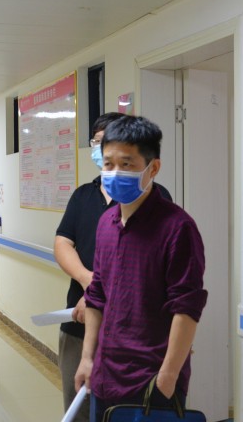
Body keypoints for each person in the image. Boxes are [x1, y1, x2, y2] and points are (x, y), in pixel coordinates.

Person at [73, 115, 208, 422]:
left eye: (126, 164)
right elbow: (97, 295)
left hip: (151, 383)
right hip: (106, 375)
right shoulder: (106, 223)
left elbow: (186, 308)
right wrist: (87, 358)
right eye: (108, 164)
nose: (114, 173)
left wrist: (168, 377)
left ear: (153, 168)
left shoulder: (178, 228)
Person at [54, 112, 171, 421]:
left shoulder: (158, 202)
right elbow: (63, 243)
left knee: (127, 410)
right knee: (79, 407)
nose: (105, 150)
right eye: (99, 143)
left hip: (136, 334)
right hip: (79, 323)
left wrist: (100, 291)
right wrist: (88, 281)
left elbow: (152, 270)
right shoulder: (83, 195)